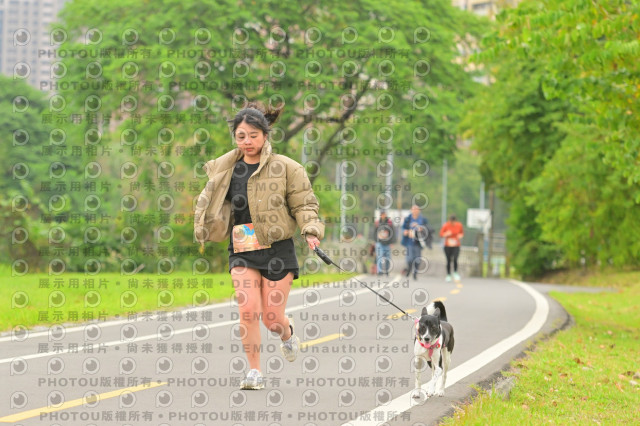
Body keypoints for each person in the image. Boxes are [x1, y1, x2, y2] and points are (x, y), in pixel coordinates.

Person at [194, 102, 324, 390]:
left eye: (253, 135)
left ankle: (287, 332)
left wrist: (310, 230)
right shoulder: (226, 169)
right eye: (241, 136)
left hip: (278, 247)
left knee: (272, 319)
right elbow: (211, 203)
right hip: (242, 246)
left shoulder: (287, 167)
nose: (247, 142)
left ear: (265, 135)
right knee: (248, 309)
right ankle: (254, 371)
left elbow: (304, 204)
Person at [401, 205, 430, 280]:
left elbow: (427, 229)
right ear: (411, 210)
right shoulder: (408, 219)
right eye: (413, 209)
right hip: (409, 242)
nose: (415, 211)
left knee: (417, 259)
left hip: (418, 242)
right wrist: (405, 232)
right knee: (409, 259)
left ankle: (415, 273)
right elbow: (403, 228)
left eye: (416, 209)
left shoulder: (423, 219)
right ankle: (409, 269)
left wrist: (421, 228)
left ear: (419, 210)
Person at [440, 214, 464, 282]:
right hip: (448, 246)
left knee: (455, 259)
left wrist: (460, 236)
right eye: (451, 222)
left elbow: (462, 233)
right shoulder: (446, 225)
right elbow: (441, 234)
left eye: (454, 222)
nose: (452, 223)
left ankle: (455, 273)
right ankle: (448, 274)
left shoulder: (459, 225)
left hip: (456, 245)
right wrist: (446, 234)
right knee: (448, 260)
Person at [373, 210, 394, 276]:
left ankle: (387, 270)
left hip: (387, 243)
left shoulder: (389, 222)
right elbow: (374, 233)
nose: (383, 216)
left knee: (388, 257)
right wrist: (375, 241)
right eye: (382, 214)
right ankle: (380, 271)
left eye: (384, 214)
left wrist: (391, 242)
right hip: (379, 242)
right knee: (379, 256)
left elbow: (392, 233)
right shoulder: (377, 222)